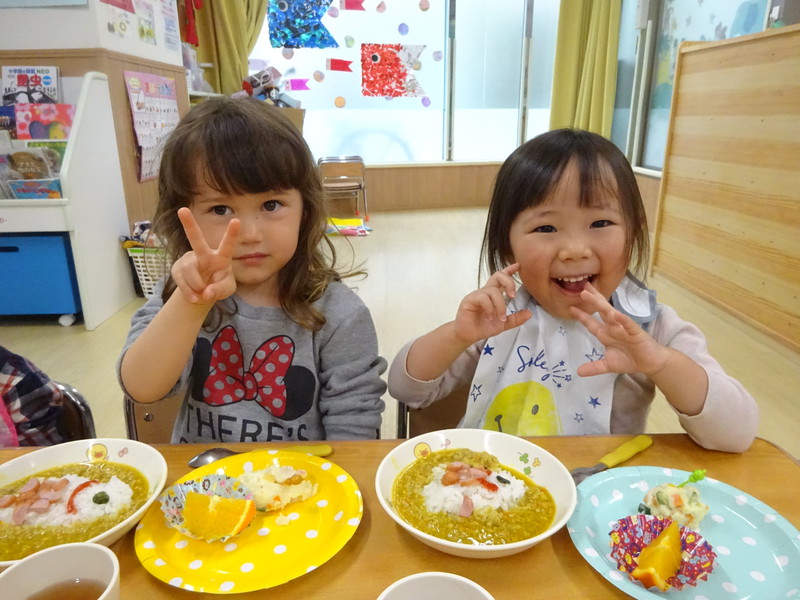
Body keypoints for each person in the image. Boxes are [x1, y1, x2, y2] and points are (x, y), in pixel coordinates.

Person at [388, 128, 757, 453]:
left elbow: (736, 434)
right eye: (547, 228)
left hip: (597, 502)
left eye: (601, 222)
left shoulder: (652, 326)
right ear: (507, 247)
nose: (575, 249)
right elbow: (406, 389)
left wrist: (660, 363)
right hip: (491, 489)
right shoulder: (500, 316)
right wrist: (456, 335)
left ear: (633, 233)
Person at [118, 97, 386, 443]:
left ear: (305, 210)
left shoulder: (339, 314)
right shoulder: (177, 294)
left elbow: (356, 434)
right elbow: (142, 389)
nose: (249, 233)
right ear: (185, 217)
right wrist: (192, 304)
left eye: (271, 205)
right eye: (219, 209)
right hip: (205, 486)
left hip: (304, 489)